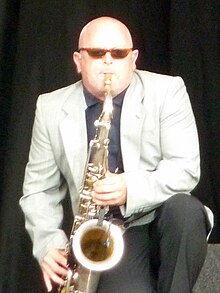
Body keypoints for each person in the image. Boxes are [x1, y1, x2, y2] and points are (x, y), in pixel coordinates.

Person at [19, 16, 213, 293]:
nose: (108, 61)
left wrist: (128, 188)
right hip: (106, 228)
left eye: (119, 54)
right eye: (97, 53)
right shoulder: (50, 107)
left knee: (186, 210)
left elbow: (186, 169)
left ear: (133, 59)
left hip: (161, 217)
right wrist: (47, 243)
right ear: (78, 60)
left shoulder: (168, 91)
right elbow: (39, 189)